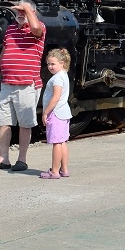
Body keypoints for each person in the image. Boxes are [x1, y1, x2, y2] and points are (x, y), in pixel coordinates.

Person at [0, 0, 46, 171]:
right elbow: (4, 52)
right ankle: (3, 158)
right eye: (18, 11)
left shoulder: (39, 27)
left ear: (32, 12)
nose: (20, 14)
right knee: (3, 121)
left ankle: (22, 160)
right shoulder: (11, 29)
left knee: (25, 123)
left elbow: (36, 28)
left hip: (27, 84)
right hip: (7, 83)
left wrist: (26, 8)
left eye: (23, 11)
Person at [38, 49, 72, 179]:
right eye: (48, 64)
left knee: (56, 142)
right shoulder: (64, 75)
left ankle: (55, 171)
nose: (50, 67)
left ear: (62, 63)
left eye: (53, 64)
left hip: (55, 113)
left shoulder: (57, 78)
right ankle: (64, 169)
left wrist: (45, 112)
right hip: (64, 112)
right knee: (62, 142)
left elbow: (55, 97)